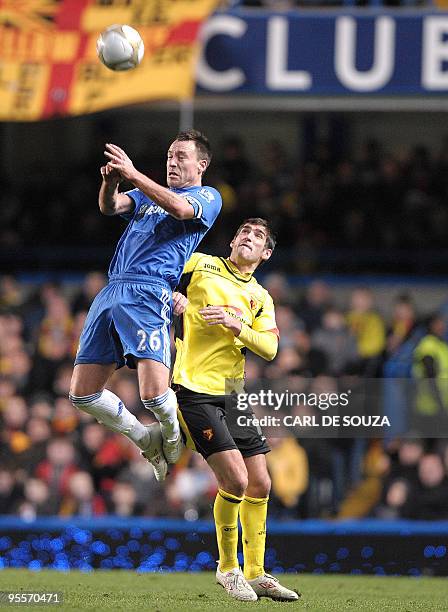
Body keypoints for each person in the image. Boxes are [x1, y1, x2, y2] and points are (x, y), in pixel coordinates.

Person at [69, 130, 222, 481]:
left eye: (180, 156)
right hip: (113, 288)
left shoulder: (207, 196)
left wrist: (134, 172)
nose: (172, 161)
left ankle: (171, 437)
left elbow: (182, 209)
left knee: (154, 395)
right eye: (169, 155)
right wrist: (111, 182)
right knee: (82, 394)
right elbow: (110, 207)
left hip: (149, 290)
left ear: (201, 164)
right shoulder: (146, 194)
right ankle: (144, 438)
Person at [171, 218, 298, 602]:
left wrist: (234, 324)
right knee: (237, 482)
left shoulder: (261, 297)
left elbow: (271, 349)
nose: (250, 237)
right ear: (233, 240)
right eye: (245, 231)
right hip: (193, 387)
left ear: (266, 253)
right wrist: (172, 297)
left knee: (261, 483)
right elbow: (160, 276)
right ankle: (228, 569)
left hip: (232, 393)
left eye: (259, 236)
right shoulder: (198, 264)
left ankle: (257, 573)